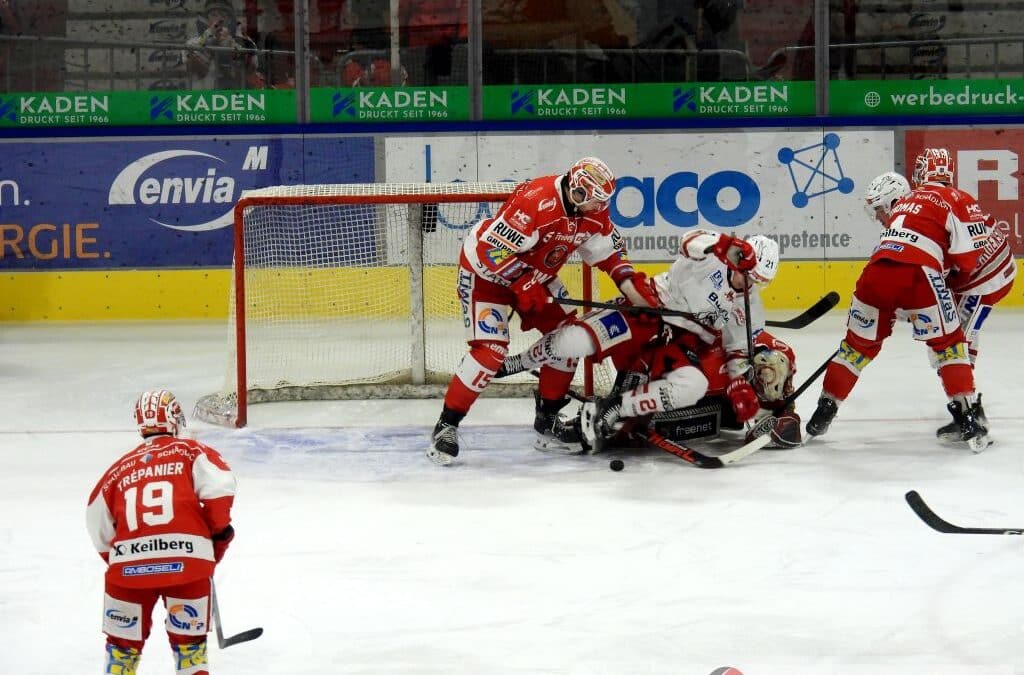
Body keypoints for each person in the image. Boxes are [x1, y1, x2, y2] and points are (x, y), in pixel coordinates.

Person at [427, 157, 659, 466]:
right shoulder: (536, 201)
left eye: (602, 202)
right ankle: (446, 426)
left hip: (536, 276)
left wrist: (630, 286)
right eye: (593, 201)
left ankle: (547, 421)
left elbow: (609, 251)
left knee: (569, 339)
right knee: (490, 352)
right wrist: (522, 283)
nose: (598, 208)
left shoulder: (593, 209)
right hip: (487, 276)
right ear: (577, 192)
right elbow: (489, 250)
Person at [499, 229, 801, 452]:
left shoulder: (751, 307)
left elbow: (737, 350)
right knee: (575, 341)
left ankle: (616, 407)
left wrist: (738, 384)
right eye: (751, 277)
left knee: (692, 386)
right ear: (739, 261)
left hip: (681, 339)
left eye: (761, 283)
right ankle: (517, 362)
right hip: (648, 307)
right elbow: (688, 241)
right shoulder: (713, 257)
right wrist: (724, 244)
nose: (752, 286)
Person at [806, 154, 990, 451]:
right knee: (950, 345)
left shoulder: (908, 200)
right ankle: (967, 416)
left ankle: (825, 408)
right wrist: (953, 271)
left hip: (875, 273)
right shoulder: (957, 197)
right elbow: (968, 258)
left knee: (855, 348)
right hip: (920, 275)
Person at [86, 390, 237, 675]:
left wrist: (125, 560)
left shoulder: (116, 470)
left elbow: (97, 524)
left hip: (127, 572)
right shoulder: (193, 451)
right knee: (190, 649)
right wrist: (215, 538)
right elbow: (220, 494)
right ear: (174, 417)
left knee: (121, 651)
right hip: (188, 568)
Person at [914, 153, 1015, 441]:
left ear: (924, 172)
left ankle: (970, 412)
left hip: (982, 282)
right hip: (995, 274)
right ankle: (966, 405)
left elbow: (960, 259)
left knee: (952, 345)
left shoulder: (932, 200)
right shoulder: (956, 196)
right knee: (955, 339)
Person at [185, 0, 265, 89]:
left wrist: (231, 47)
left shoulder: (245, 41)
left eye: (223, 15)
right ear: (207, 18)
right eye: (214, 15)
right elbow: (195, 72)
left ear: (229, 19)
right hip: (204, 97)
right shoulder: (194, 42)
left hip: (236, 95)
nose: (219, 19)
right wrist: (209, 41)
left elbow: (251, 69)